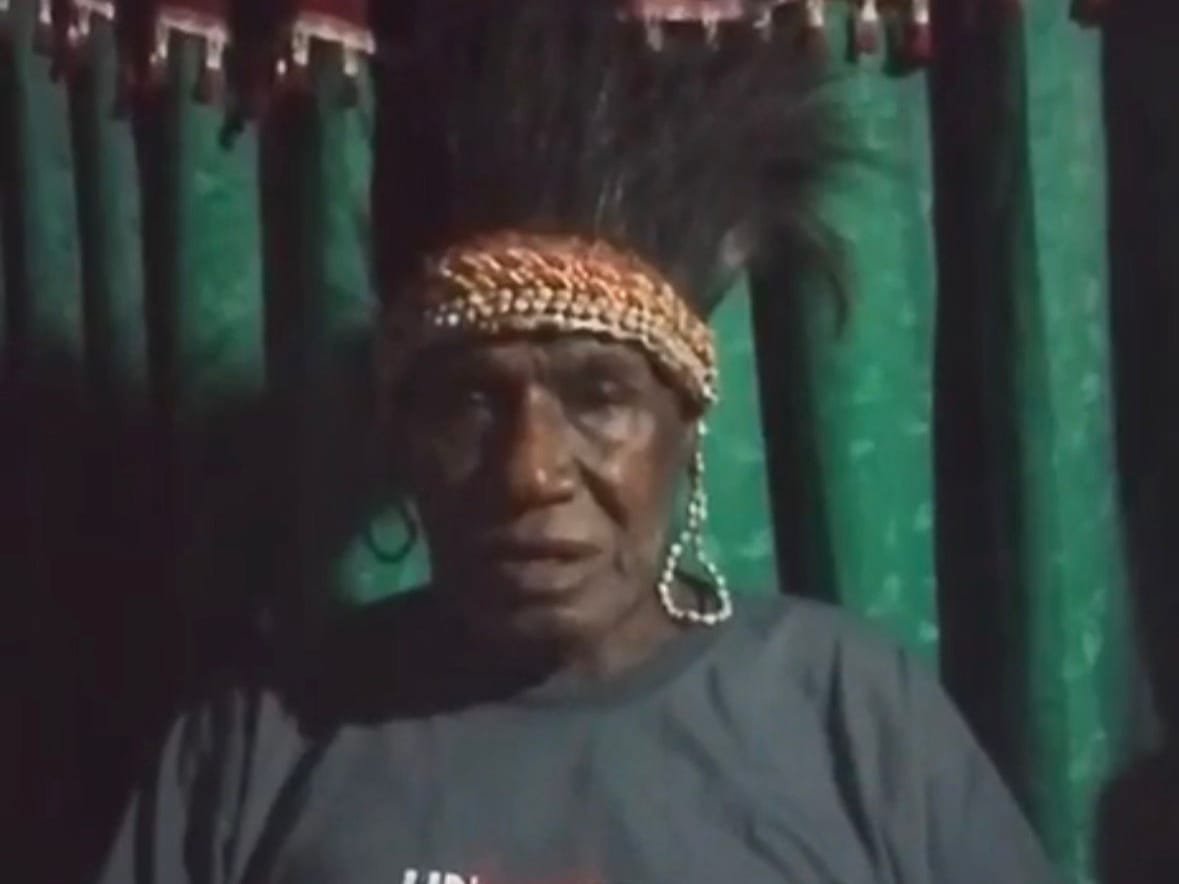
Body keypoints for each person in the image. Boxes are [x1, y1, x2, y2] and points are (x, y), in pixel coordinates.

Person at [96, 1, 1059, 881]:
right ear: (400, 436)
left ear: (686, 425)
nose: (531, 472)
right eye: (471, 402)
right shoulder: (254, 745)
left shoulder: (850, 711)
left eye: (599, 397)